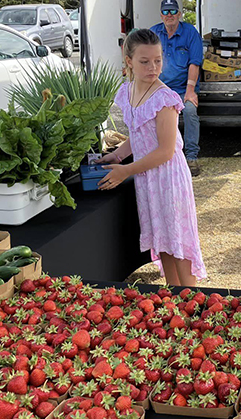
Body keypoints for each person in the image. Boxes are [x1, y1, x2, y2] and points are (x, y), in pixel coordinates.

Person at [97, 29, 206, 287]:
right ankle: (172, 296)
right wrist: (116, 154)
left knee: (177, 241)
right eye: (144, 61)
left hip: (168, 176)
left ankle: (192, 302)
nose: (153, 67)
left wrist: (126, 170)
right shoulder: (128, 91)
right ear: (129, 61)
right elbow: (140, 134)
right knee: (162, 240)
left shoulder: (165, 98)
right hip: (148, 176)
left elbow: (166, 150)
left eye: (158, 60)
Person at [151, 0, 203, 177]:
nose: (169, 15)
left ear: (179, 14)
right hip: (160, 89)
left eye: (173, 11)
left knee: (189, 111)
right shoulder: (153, 33)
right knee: (151, 115)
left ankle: (191, 157)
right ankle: (159, 157)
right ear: (161, 16)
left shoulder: (190, 32)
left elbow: (194, 62)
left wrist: (190, 90)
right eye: (165, 12)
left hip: (183, 88)